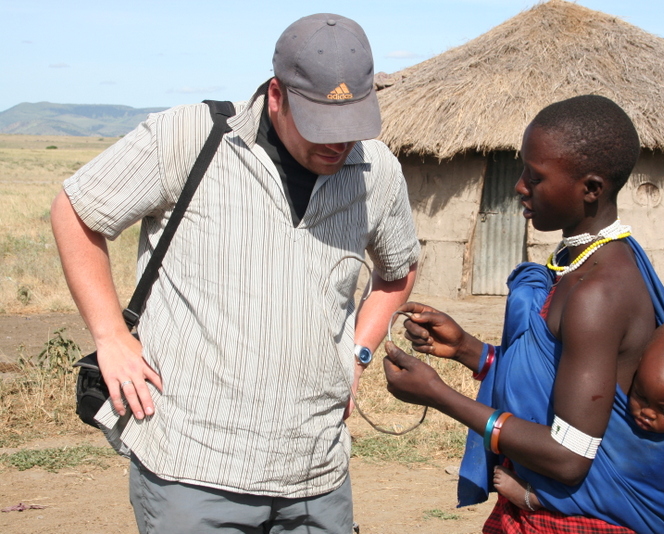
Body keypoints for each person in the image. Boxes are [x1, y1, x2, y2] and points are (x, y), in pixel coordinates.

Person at [51, 13, 419, 534]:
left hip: (316, 472)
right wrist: (110, 335)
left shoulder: (375, 170)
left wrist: (358, 352)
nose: (337, 146)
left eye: (350, 128)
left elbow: (399, 270)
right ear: (276, 96)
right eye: (321, 128)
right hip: (193, 469)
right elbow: (76, 210)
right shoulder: (190, 138)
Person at [382, 95, 664, 534]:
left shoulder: (597, 292)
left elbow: (568, 458)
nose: (520, 186)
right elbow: (564, 377)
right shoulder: (582, 265)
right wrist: (469, 350)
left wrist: (439, 395)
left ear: (592, 189)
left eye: (535, 177)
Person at [493, 319, 664, 512]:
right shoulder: (625, 417)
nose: (647, 413)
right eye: (641, 397)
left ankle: (540, 499)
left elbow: (627, 489)